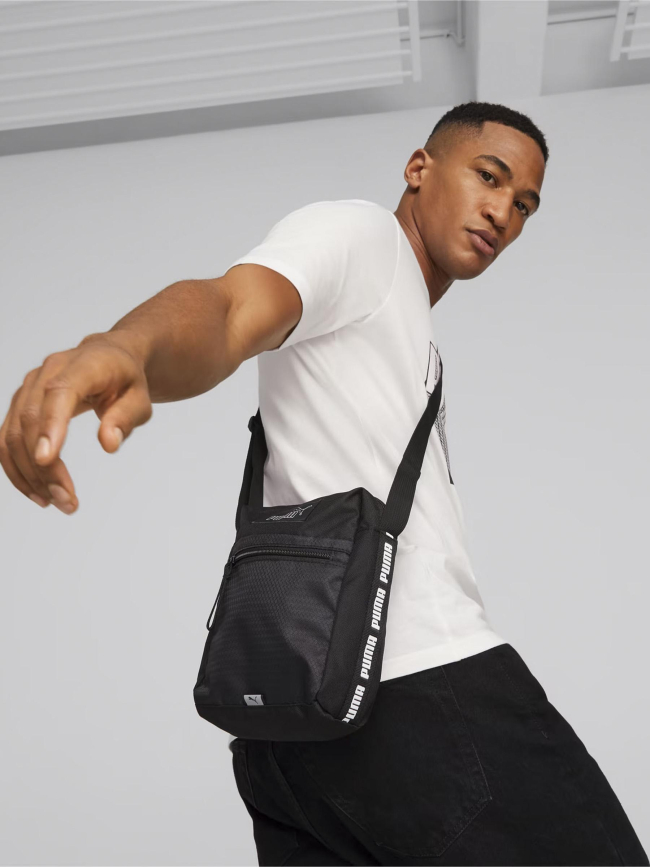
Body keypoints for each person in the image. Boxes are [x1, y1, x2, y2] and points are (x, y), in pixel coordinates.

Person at [0, 101, 646, 866]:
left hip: (287, 738)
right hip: (419, 692)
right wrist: (124, 348)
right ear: (419, 168)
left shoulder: (406, 331)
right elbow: (232, 306)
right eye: (489, 176)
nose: (503, 212)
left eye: (525, 204)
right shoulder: (364, 239)